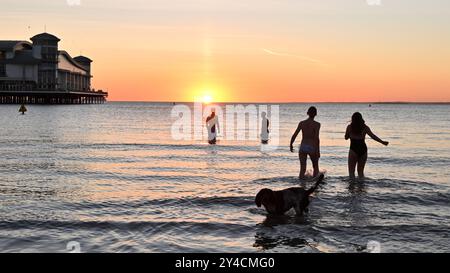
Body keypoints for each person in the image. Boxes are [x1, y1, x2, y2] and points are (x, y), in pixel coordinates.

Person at [345, 112, 389, 179]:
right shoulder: (365, 127)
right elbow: (373, 136)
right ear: (361, 119)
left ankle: (351, 188)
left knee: (351, 173)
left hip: (353, 149)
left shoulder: (349, 127)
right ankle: (361, 188)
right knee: (361, 172)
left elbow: (346, 138)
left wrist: (349, 134)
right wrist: (382, 142)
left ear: (352, 119)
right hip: (363, 150)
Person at [290, 106, 321, 179]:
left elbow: (295, 134)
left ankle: (301, 184)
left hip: (303, 147)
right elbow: (316, 138)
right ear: (316, 114)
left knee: (302, 168)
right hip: (312, 147)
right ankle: (315, 182)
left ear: (307, 113)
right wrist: (318, 151)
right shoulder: (317, 124)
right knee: (315, 166)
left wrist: (291, 144)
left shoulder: (302, 123)